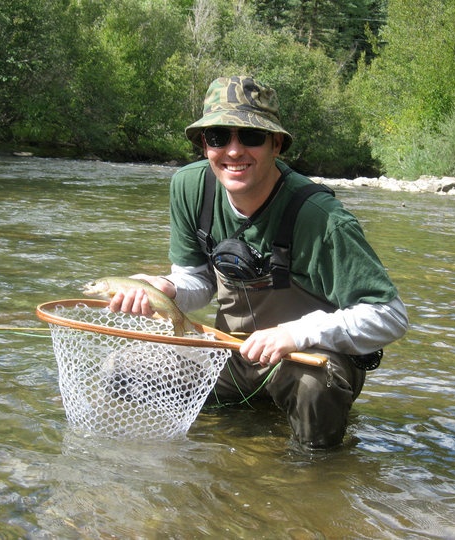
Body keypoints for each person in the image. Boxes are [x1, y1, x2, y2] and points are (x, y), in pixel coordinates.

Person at [108, 76, 409, 449]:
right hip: (231, 352)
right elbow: (197, 281)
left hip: (306, 360)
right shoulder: (190, 188)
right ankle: (223, 443)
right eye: (218, 137)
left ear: (276, 144)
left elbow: (391, 316)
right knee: (122, 371)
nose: (233, 151)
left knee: (314, 386)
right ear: (205, 145)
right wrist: (167, 289)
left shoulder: (321, 218)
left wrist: (296, 334)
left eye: (250, 137)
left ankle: (316, 479)